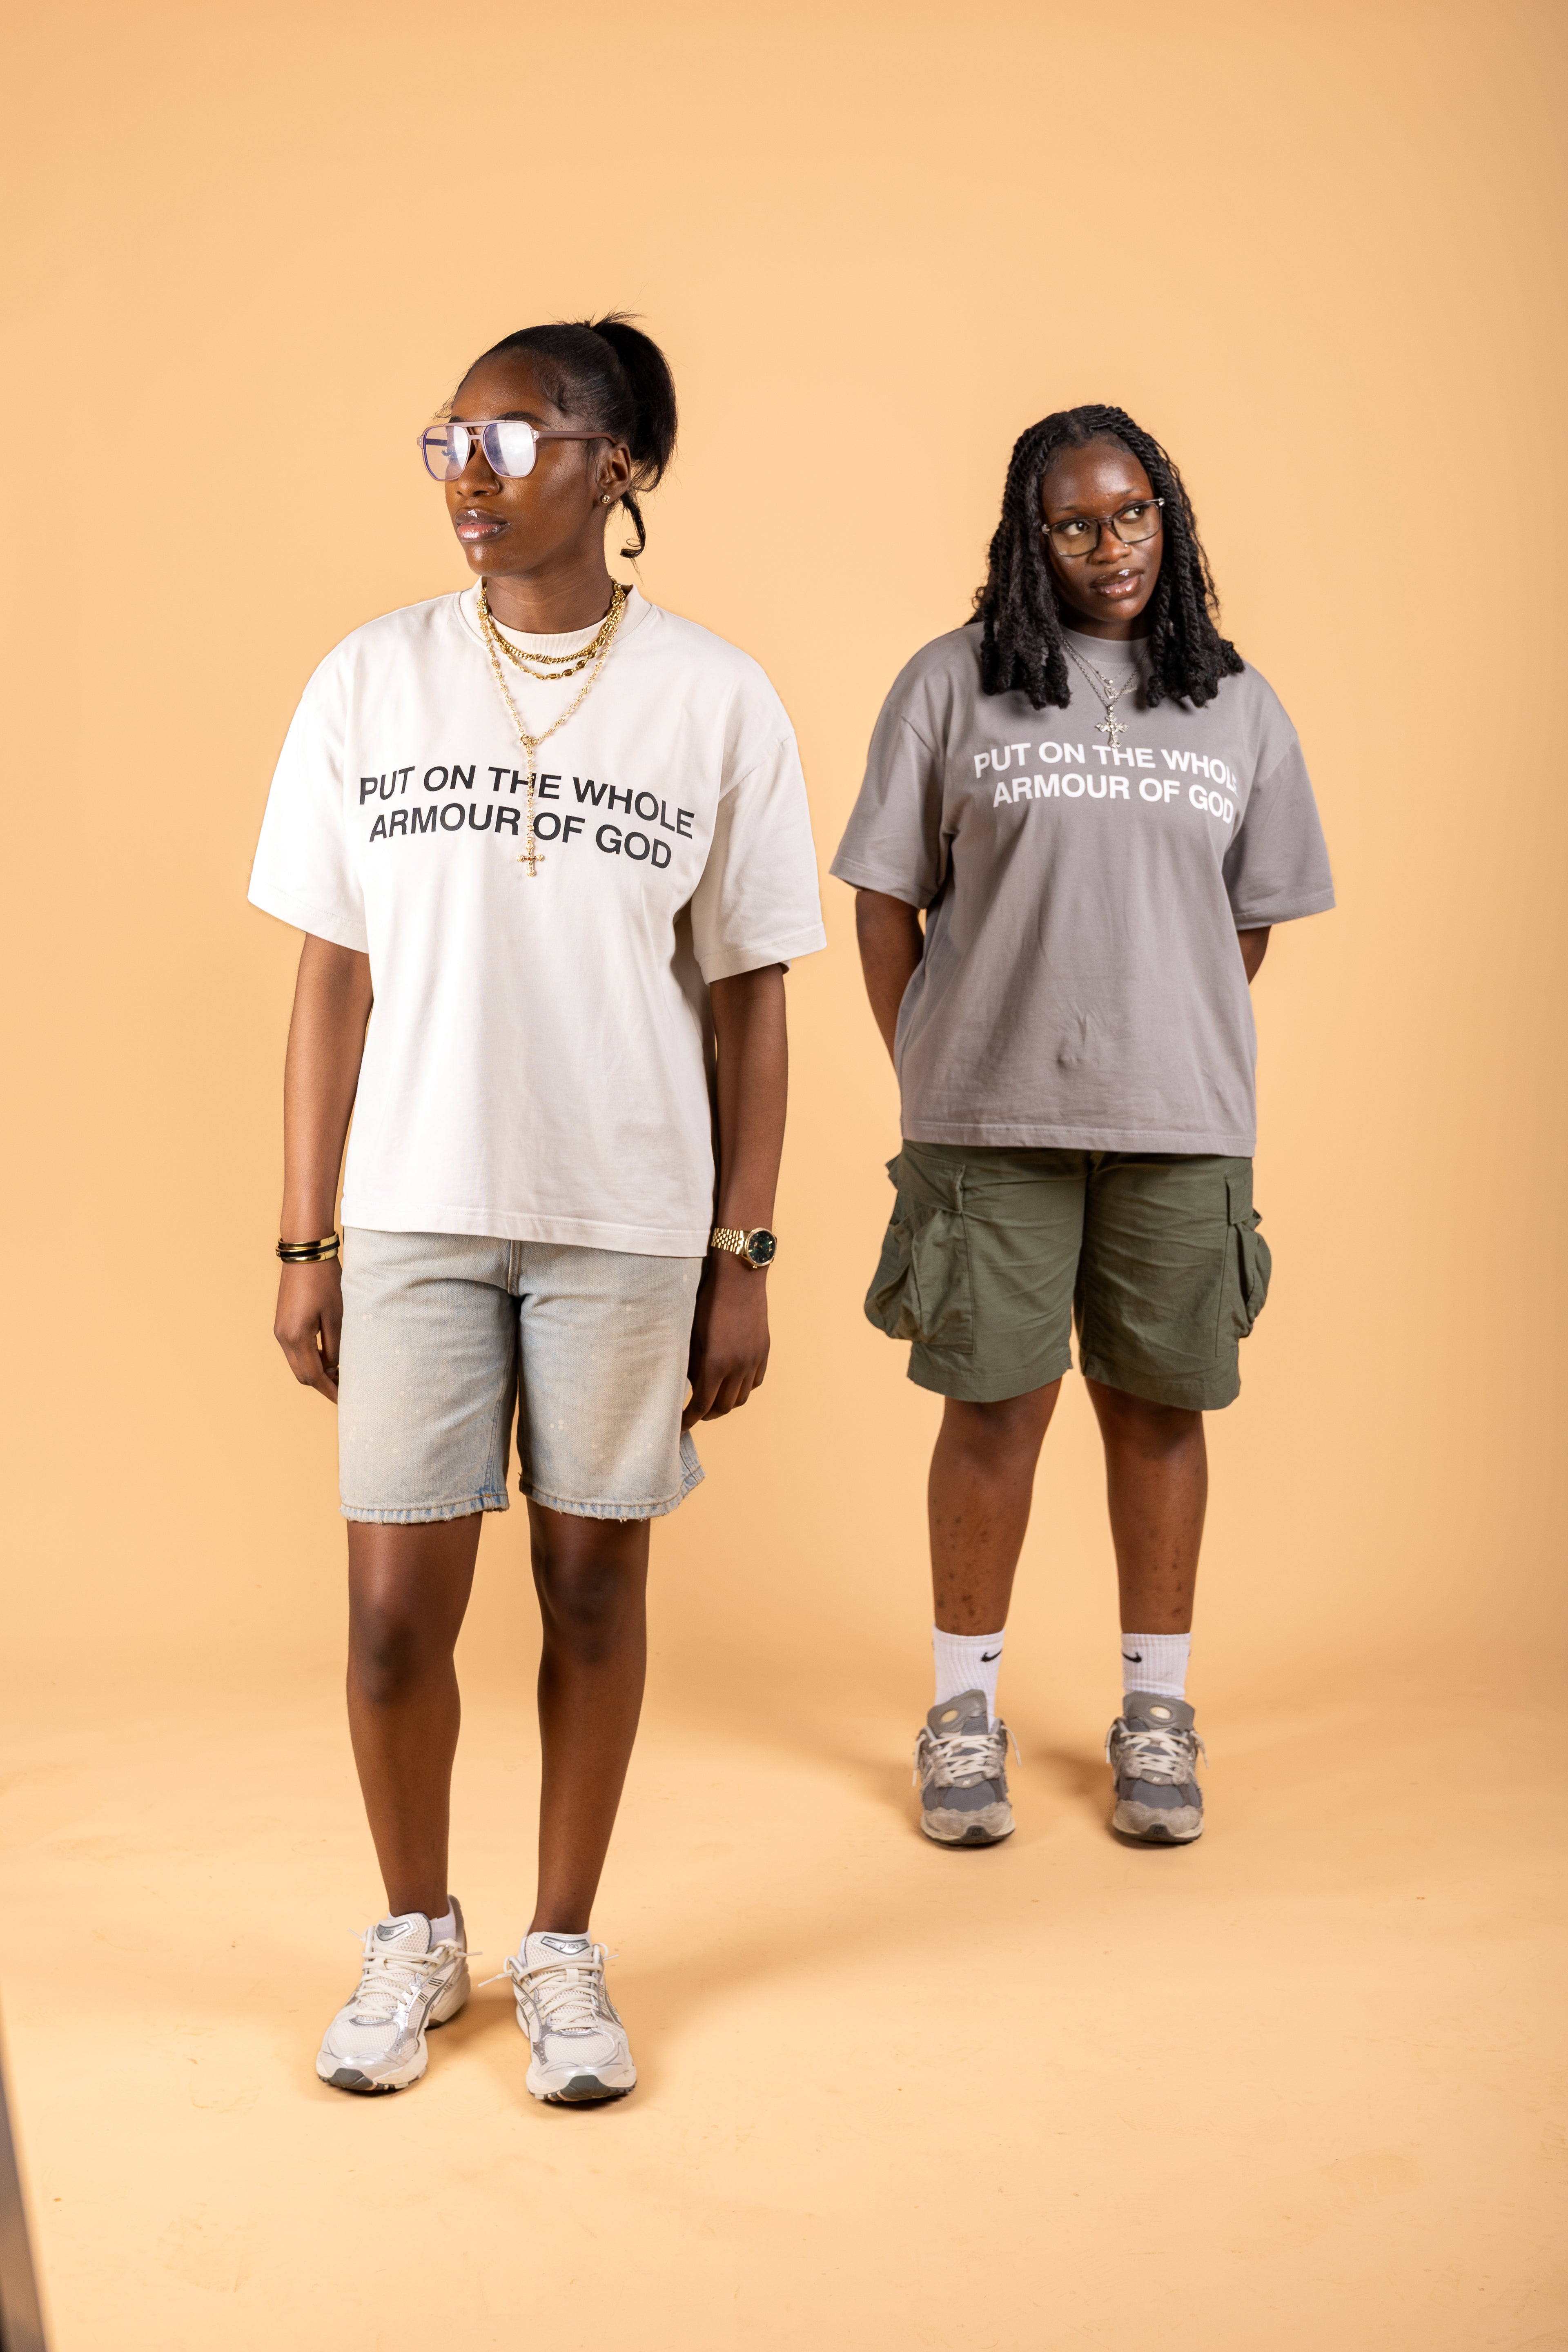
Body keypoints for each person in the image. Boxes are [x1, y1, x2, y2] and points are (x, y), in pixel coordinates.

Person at [249, 316, 824, 2101]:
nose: (471, 476)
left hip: (625, 1216)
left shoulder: (715, 697)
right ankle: (418, 1935)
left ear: (619, 465)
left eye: (515, 436)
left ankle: (563, 1947)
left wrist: (744, 1251)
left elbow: (752, 998)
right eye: (449, 440)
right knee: (390, 1617)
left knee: (590, 1584)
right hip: (413, 1207)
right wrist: (304, 1235)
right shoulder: (370, 679)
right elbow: (328, 978)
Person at [831, 404, 1332, 1849]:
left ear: (1167, 523)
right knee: (991, 1410)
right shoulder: (955, 683)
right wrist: (931, 1051)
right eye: (1075, 523)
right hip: (988, 1116)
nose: (1109, 547)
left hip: (1183, 1120)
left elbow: (1240, 923)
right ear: (1027, 538)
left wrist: (1150, 1026)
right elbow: (884, 896)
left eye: (1133, 515)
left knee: (1160, 1409)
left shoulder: (1234, 700)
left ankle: (1157, 1716)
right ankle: (963, 1711)